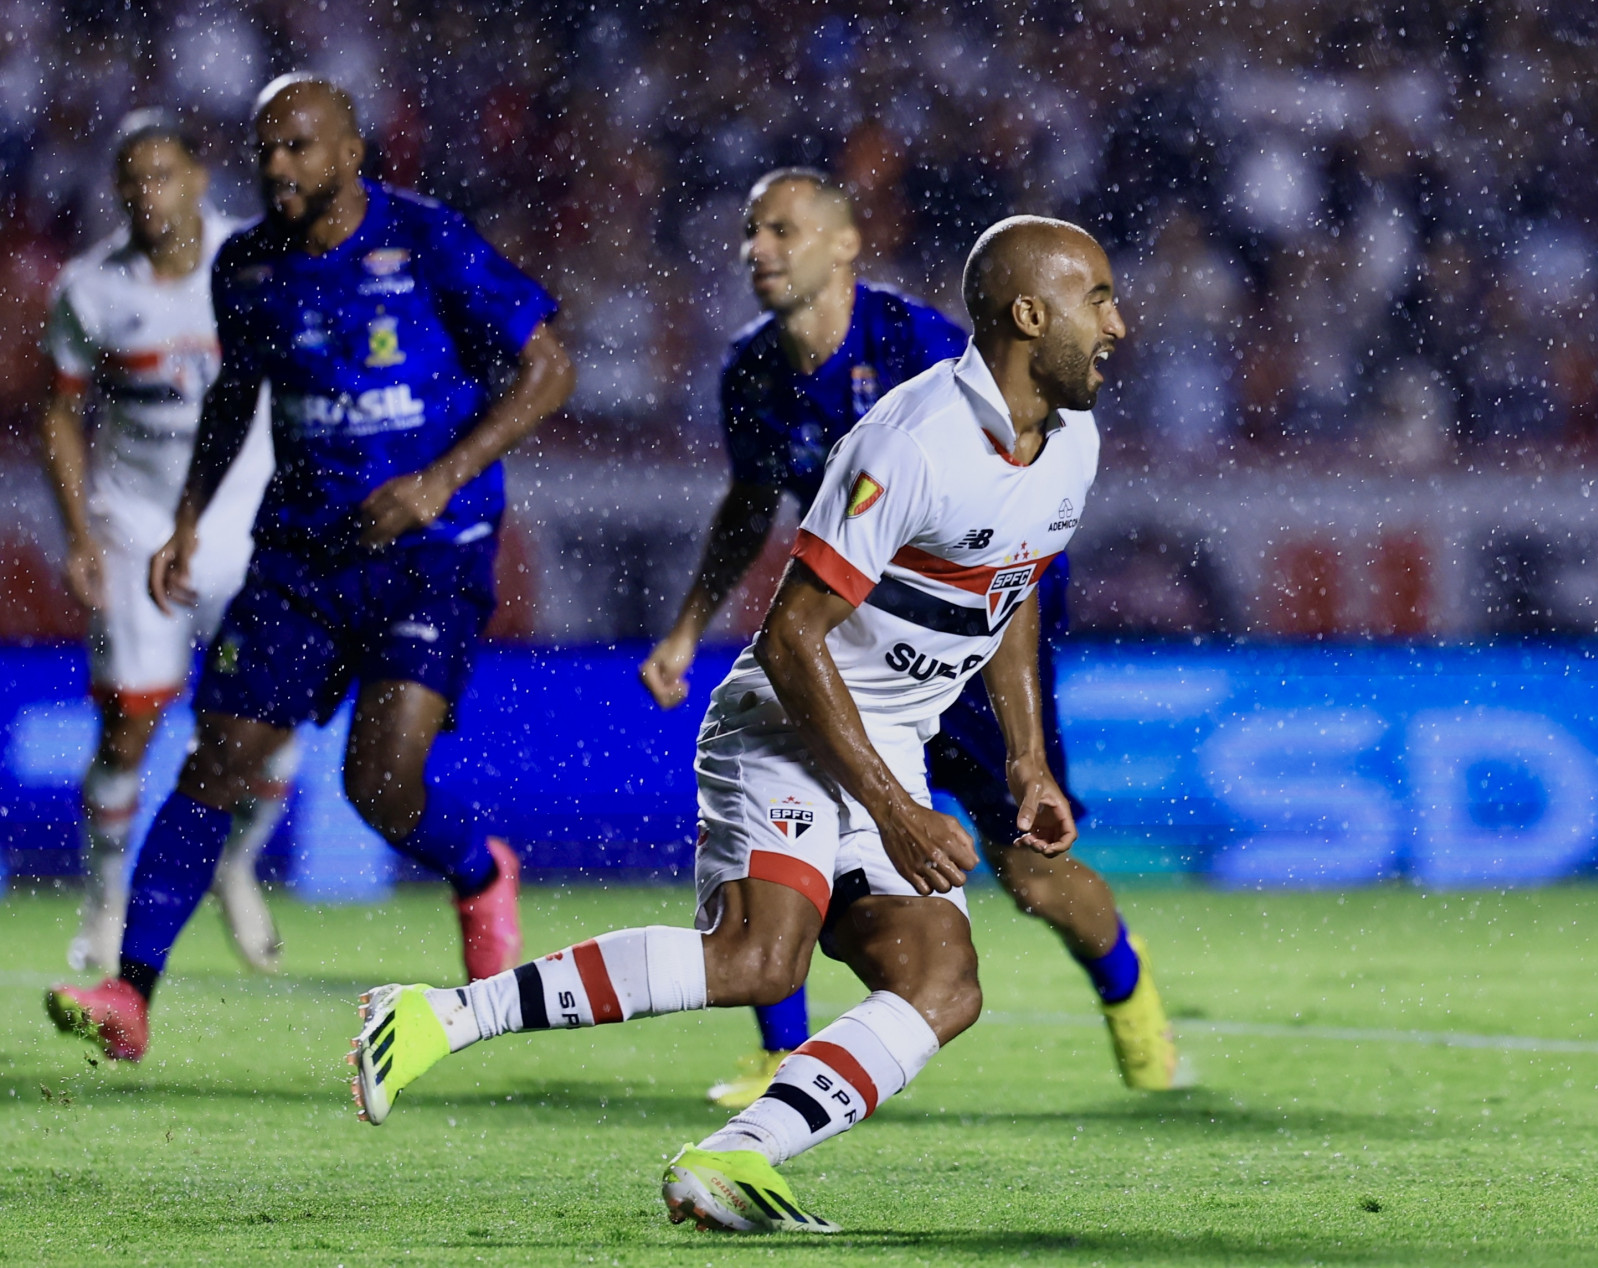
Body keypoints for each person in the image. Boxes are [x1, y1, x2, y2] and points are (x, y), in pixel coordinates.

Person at [349, 216, 1124, 1234]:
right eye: (1099, 298)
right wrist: (895, 810)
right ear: (1031, 314)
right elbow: (794, 637)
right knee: (760, 961)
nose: (1118, 322)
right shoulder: (912, 441)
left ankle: (734, 1158)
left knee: (942, 982)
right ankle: (432, 1015)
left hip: (885, 737)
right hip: (791, 720)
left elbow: (1012, 585)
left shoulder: (1070, 441)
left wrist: (1025, 761)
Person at [45, 75, 574, 1064]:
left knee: (382, 784)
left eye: (297, 148)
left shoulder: (425, 239)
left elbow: (550, 369)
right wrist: (191, 517)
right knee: (216, 761)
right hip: (299, 558)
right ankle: (129, 992)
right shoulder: (246, 266)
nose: (278, 167)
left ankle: (476, 870)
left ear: (350, 153)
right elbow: (235, 395)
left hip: (430, 553)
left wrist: (438, 479)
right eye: (266, 150)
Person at [640, 168, 1182, 1104]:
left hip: (967, 641)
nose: (756, 249)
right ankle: (782, 1052)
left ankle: (1133, 1007)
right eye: (750, 231)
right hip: (847, 653)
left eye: (783, 230)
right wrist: (688, 628)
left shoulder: (922, 353)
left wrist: (1022, 753)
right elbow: (748, 507)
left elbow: (1017, 543)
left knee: (1034, 877)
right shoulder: (751, 372)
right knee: (791, 830)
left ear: (844, 245)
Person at [39, 111, 298, 977]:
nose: (148, 194)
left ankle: (234, 865)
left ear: (198, 178)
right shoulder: (91, 290)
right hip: (136, 522)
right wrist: (78, 533)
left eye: (163, 175)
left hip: (248, 518)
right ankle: (107, 898)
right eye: (133, 179)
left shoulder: (257, 261)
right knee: (129, 728)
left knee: (269, 729)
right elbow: (61, 417)